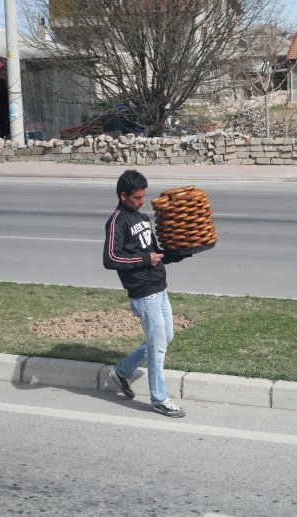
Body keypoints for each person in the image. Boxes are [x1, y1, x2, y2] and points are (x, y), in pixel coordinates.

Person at [103, 170, 187, 418]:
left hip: (160, 288)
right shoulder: (117, 221)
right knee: (158, 346)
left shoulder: (141, 217)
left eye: (143, 196)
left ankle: (121, 371)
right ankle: (160, 399)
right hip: (143, 293)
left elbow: (155, 252)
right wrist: (144, 259)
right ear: (123, 195)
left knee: (165, 337)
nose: (142, 201)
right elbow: (110, 258)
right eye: (137, 197)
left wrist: (181, 252)